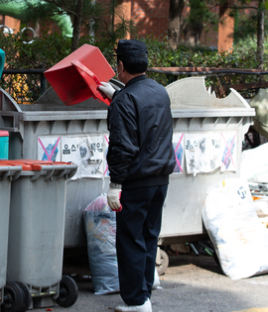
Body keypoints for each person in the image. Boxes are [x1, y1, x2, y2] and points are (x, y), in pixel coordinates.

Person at [98, 39, 175, 312]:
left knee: (130, 240)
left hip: (136, 181)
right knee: (148, 237)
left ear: (120, 66)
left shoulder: (126, 99)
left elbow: (122, 146)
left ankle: (136, 302)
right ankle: (145, 293)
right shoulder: (160, 92)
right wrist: (115, 97)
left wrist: (115, 183)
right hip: (161, 179)